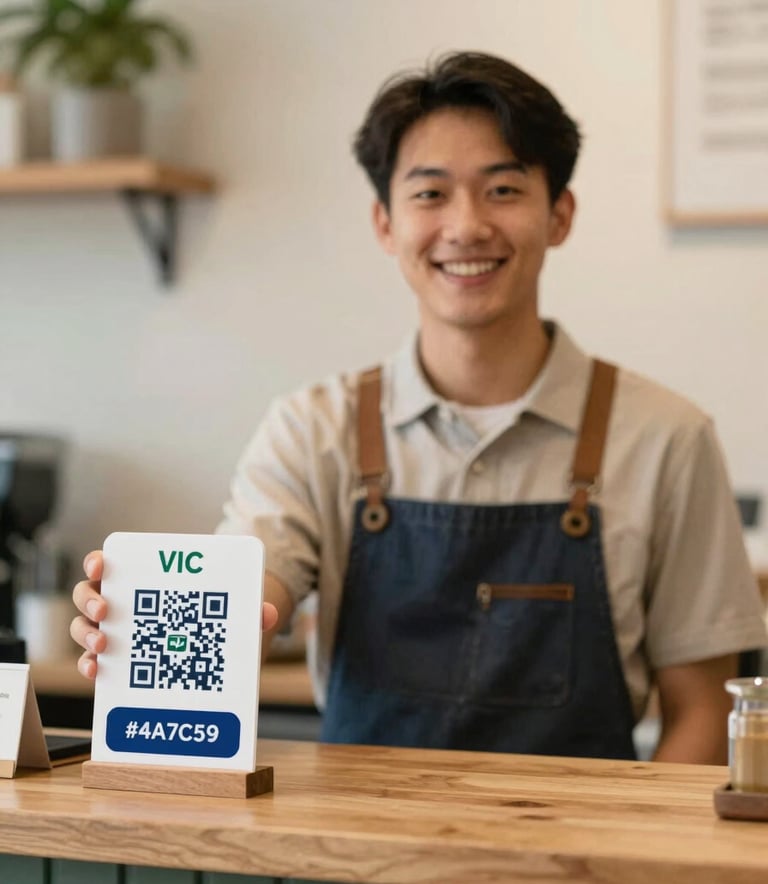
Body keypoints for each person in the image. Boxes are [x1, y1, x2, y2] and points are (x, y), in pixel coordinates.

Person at [71, 50, 767, 763]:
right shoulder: (312, 431)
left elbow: (705, 713)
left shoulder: (667, 439)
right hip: (356, 863)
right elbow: (252, 586)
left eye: (502, 189)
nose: (465, 226)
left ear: (559, 214)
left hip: (579, 869)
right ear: (384, 223)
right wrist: (172, 628)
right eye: (430, 194)